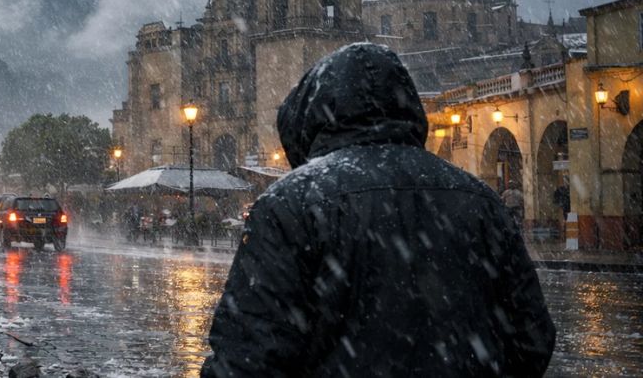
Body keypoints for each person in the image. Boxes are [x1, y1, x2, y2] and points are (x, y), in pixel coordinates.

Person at [202, 43, 554, 377]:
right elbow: (532, 338)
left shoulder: (290, 205)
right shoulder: (480, 201)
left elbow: (247, 358)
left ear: (308, 119)